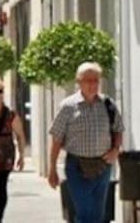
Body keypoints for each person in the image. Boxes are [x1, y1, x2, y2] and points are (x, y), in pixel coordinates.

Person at [48, 62, 124, 223]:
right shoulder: (68, 106)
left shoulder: (108, 105)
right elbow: (56, 138)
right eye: (87, 80)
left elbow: (118, 129)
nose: (92, 84)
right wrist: (52, 168)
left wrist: (116, 149)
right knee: (84, 212)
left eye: (95, 80)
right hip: (77, 167)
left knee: (98, 214)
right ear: (79, 82)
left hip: (103, 166)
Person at [0, 78, 27, 223]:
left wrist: (22, 156)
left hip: (6, 157)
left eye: (0, 91)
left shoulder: (10, 114)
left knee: (1, 186)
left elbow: (20, 135)